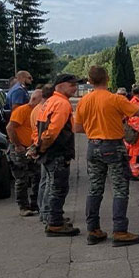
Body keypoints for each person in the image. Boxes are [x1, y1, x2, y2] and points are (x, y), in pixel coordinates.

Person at [73, 66, 139, 246]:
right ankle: (120, 231)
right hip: (113, 145)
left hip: (93, 146)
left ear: (90, 81)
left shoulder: (84, 101)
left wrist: (95, 130)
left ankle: (93, 229)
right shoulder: (115, 99)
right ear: (107, 78)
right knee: (119, 188)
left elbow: (77, 128)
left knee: (95, 188)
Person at [30, 73, 80, 237]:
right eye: (72, 84)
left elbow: (39, 128)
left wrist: (38, 148)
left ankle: (53, 218)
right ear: (60, 85)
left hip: (49, 152)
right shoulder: (61, 104)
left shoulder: (49, 102)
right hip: (57, 152)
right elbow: (52, 132)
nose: (75, 87)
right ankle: (55, 224)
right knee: (58, 189)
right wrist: (42, 147)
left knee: (51, 186)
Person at [7, 87, 44, 216]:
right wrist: (17, 145)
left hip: (32, 148)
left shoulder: (38, 111)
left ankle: (35, 204)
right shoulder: (22, 111)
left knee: (37, 176)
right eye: (42, 100)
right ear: (34, 99)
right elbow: (10, 128)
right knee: (22, 178)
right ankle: (23, 206)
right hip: (20, 148)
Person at [31, 84, 53, 224]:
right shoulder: (45, 109)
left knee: (44, 181)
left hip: (38, 146)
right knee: (49, 182)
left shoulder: (36, 110)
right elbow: (47, 132)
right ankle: (46, 212)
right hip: (45, 148)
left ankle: (43, 211)